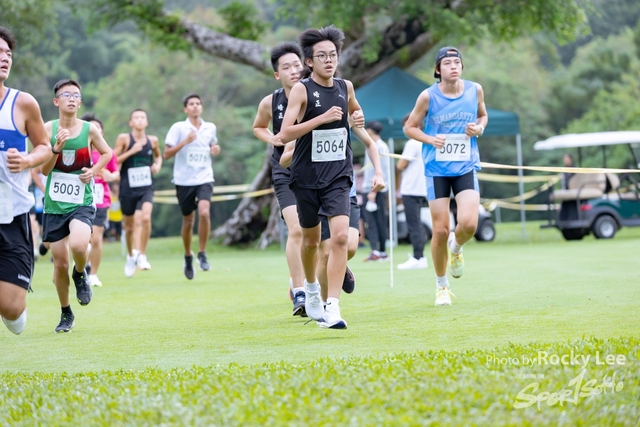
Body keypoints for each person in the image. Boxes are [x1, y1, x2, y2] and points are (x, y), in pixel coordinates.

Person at [279, 26, 385, 329]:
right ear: (309, 61)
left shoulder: (345, 87)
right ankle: (311, 288)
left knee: (340, 238)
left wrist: (358, 117)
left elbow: (357, 118)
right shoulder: (301, 90)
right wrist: (320, 119)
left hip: (338, 176)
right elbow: (285, 134)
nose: (329, 60)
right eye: (322, 56)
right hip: (306, 178)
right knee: (311, 242)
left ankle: (333, 307)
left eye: (333, 55)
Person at [404, 46, 488, 306]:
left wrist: (479, 128)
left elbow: (483, 115)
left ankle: (457, 247)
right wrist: (430, 139)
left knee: (469, 224)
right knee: (440, 230)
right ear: (438, 69)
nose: (453, 66)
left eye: (457, 62)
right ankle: (442, 286)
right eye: (448, 63)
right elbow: (409, 127)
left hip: (465, 165)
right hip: (437, 169)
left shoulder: (475, 90)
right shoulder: (428, 96)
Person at [41, 78, 112, 333]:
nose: (72, 99)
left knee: (80, 245)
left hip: (81, 201)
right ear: (56, 101)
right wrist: (56, 148)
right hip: (54, 205)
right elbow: (44, 170)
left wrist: (93, 170)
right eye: (66, 94)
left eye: (76, 95)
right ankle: (66, 312)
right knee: (60, 264)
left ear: (80, 102)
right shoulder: (47, 129)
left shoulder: (89, 130)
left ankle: (80, 273)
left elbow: (107, 153)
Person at [0, 26, 52, 335]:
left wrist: (27, 160)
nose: (5, 58)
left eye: (8, 53)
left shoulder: (23, 103)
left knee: (11, 309)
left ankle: (15, 305)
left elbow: (44, 146)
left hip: (13, 215)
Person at [252, 42, 307, 316]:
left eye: (297, 65)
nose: (293, 70)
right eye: (286, 67)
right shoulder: (270, 102)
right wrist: (272, 138)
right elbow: (258, 127)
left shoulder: (317, 94)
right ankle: (300, 292)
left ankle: (314, 280)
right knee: (296, 230)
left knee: (320, 234)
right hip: (285, 171)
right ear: (277, 74)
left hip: (318, 171)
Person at [164, 94, 220, 279]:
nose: (195, 106)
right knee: (188, 221)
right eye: (191, 104)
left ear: (201, 107)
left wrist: (215, 149)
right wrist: (185, 142)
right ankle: (188, 255)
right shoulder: (178, 128)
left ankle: (202, 253)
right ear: (185, 109)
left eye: (198, 103)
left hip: (205, 177)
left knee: (204, 212)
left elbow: (213, 144)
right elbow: (166, 154)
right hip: (184, 180)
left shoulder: (210, 127)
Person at [114, 109, 161, 277]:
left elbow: (158, 157)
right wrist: (131, 151)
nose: (140, 120)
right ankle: (130, 255)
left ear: (146, 122)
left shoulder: (153, 140)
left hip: (146, 186)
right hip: (127, 188)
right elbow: (113, 160)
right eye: (137, 118)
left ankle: (142, 255)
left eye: (143, 117)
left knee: (145, 218)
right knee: (129, 226)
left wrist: (157, 166)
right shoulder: (124, 139)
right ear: (131, 122)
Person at [80, 113, 119, 287]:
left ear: (101, 133)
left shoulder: (108, 153)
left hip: (100, 199)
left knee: (96, 239)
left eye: (98, 128)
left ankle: (93, 274)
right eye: (91, 128)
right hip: (79, 199)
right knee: (82, 239)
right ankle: (81, 264)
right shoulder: (79, 152)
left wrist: (111, 176)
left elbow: (116, 173)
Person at [396, 114, 428, 270]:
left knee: (414, 224)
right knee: (417, 223)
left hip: (411, 188)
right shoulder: (426, 141)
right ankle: (419, 255)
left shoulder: (413, 142)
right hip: (422, 188)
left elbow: (401, 165)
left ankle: (418, 257)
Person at [361, 121, 391, 262]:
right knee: (373, 221)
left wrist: (374, 191)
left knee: (376, 221)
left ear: (370, 131)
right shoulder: (372, 145)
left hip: (376, 189)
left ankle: (379, 251)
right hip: (370, 188)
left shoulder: (380, 147)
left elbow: (383, 171)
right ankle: (378, 251)